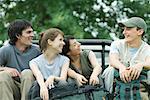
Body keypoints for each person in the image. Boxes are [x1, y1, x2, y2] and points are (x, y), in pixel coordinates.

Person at [102, 17, 150, 99]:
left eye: (128, 29)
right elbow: (113, 60)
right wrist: (121, 68)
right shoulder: (116, 44)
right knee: (109, 71)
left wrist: (140, 65)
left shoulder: (147, 48)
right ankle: (108, 96)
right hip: (118, 84)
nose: (124, 32)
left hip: (139, 85)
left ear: (140, 31)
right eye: (124, 29)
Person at [0, 19, 41, 100]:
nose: (32, 35)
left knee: (27, 73)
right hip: (13, 88)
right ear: (18, 35)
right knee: (3, 75)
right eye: (28, 32)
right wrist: (5, 69)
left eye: (32, 32)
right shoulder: (6, 50)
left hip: (31, 88)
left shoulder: (37, 50)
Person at [29, 28, 70, 100]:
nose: (63, 43)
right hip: (42, 93)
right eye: (60, 40)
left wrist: (52, 77)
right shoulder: (34, 62)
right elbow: (38, 75)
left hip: (59, 92)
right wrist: (43, 87)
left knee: (62, 83)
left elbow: (63, 79)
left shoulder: (65, 60)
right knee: (36, 85)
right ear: (50, 42)